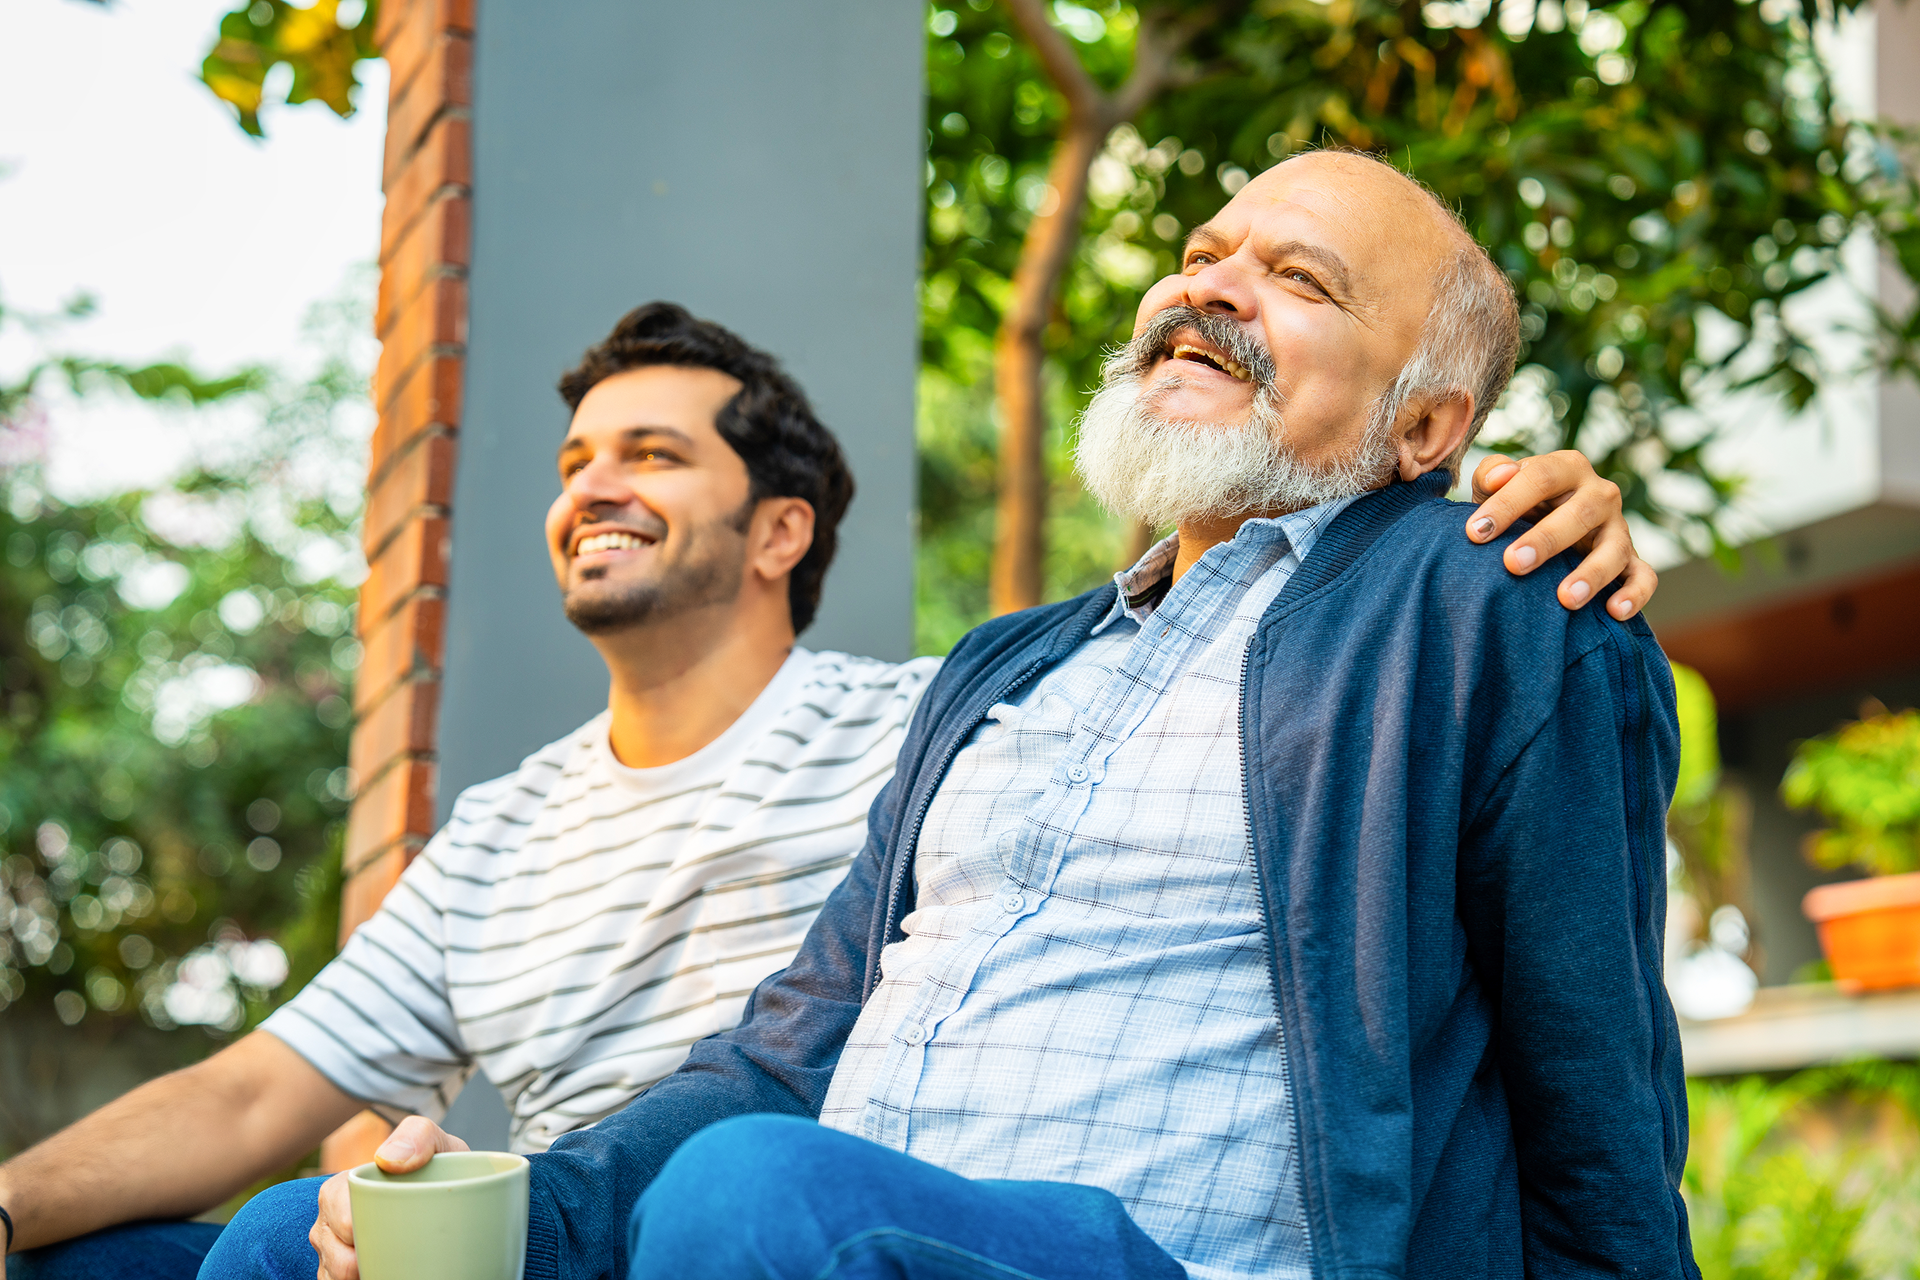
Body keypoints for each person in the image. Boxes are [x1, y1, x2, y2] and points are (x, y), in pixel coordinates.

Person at [222, 149, 1695, 1280]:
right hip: (838, 1234)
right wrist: (536, 1210)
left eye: (1300, 281)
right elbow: (786, 1053)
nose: (1212, 288)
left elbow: (1597, 1099)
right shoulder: (1008, 665)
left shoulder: (1494, 604)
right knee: (303, 1236)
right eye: (1202, 255)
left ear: (1427, 429)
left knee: (753, 1195)